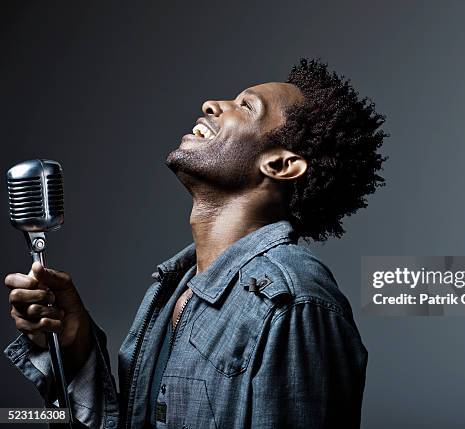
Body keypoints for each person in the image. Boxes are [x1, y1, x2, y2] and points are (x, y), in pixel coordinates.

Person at [4, 58, 387, 429]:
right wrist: (75, 347)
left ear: (280, 165)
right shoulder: (173, 287)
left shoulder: (293, 301)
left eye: (245, 106)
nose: (211, 105)